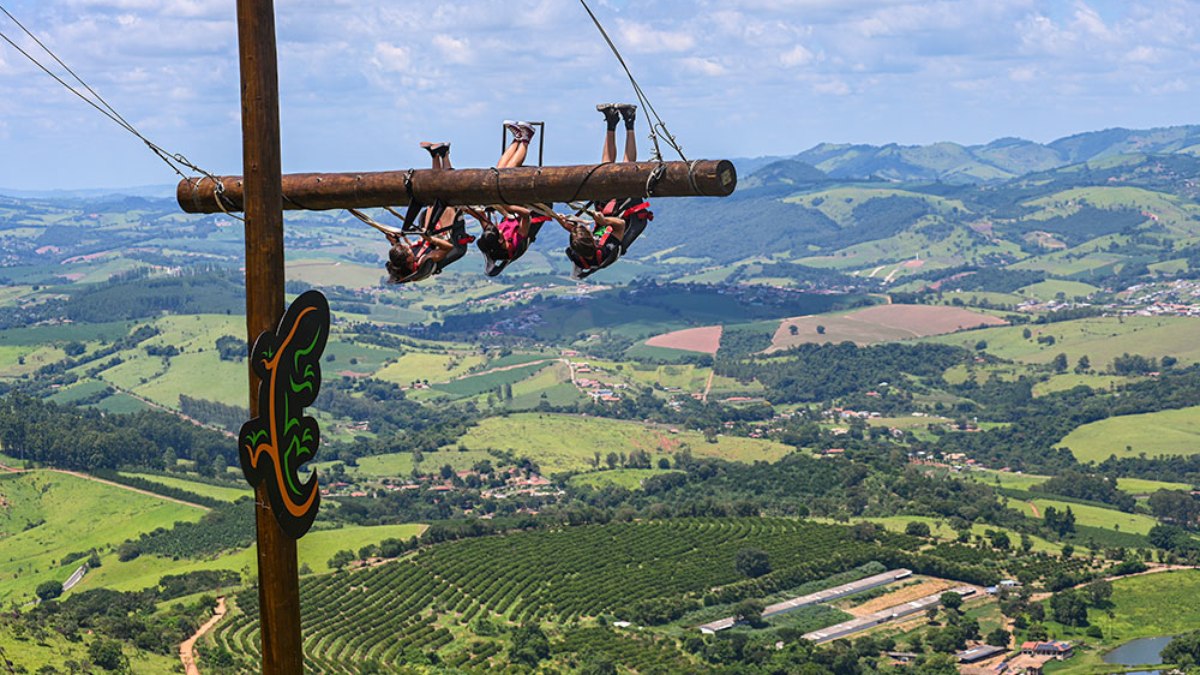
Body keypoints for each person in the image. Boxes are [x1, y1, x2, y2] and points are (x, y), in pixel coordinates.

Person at [562, 104, 655, 279]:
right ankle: (630, 121)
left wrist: (564, 222)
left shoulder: (579, 252)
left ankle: (611, 122)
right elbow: (620, 225)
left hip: (607, 220)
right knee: (625, 172)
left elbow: (579, 233)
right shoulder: (607, 251)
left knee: (604, 173)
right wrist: (604, 220)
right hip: (627, 219)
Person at [470, 122, 570, 276]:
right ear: (501, 241)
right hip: (536, 208)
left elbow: (482, 219)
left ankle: (517, 139)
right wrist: (506, 206)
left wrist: (469, 208)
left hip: (516, 206)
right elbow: (525, 216)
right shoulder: (516, 245)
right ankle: (526, 138)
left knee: (496, 176)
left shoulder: (492, 239)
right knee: (506, 178)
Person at [383, 142, 473, 283]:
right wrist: (429, 239)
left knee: (432, 199)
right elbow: (448, 248)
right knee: (446, 196)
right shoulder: (426, 261)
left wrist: (395, 241)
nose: (408, 248)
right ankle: (445, 155)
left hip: (432, 238)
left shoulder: (403, 262)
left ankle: (436, 156)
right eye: (407, 251)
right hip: (450, 241)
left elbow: (402, 254)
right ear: (408, 259)